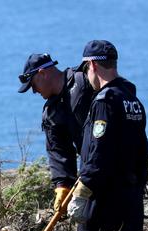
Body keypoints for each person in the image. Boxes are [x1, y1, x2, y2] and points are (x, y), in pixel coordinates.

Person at [67, 40, 148, 231]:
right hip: (130, 201)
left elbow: (97, 155)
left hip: (105, 205)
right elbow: (142, 154)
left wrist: (83, 190)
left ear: (91, 65)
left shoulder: (104, 103)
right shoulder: (132, 100)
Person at [18, 53, 93, 213]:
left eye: (33, 85)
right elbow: (58, 150)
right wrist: (63, 186)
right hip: (90, 175)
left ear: (42, 74)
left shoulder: (84, 82)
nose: (34, 91)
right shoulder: (52, 111)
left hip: (110, 168)